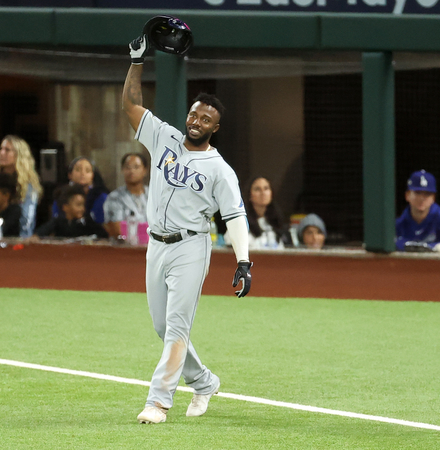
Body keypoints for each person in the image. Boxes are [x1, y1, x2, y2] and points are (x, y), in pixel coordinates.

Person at [124, 33, 252, 425]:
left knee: (178, 325)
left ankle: (158, 401)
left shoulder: (220, 170)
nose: (197, 122)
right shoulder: (164, 136)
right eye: (195, 115)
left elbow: (235, 217)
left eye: (206, 120)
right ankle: (205, 381)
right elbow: (131, 104)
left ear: (215, 128)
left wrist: (244, 262)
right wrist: (136, 60)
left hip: (191, 248)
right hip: (156, 246)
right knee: (162, 326)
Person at [0, 135, 43, 238]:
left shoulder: (28, 185)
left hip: (16, 235)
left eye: (7, 150)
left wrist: (24, 239)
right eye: (1, 149)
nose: (1, 153)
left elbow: (27, 218)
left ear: (19, 155)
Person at [395, 170, 440, 253]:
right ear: (407, 195)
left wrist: (434, 248)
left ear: (433, 198)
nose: (422, 198)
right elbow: (392, 242)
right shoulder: (399, 222)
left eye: (427, 194)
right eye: (417, 193)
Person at [226, 176, 287, 250]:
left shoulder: (276, 222)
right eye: (257, 189)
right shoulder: (239, 224)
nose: (263, 193)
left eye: (266, 188)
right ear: (249, 195)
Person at [103, 152, 150, 239]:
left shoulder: (153, 195)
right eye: (128, 167)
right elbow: (118, 229)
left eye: (136, 167)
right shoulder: (115, 197)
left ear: (145, 171)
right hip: (125, 247)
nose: (132, 171)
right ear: (122, 170)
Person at [34, 184, 107, 239]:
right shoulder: (58, 222)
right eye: (78, 205)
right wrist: (35, 237)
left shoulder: (87, 222)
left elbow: (103, 235)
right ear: (65, 207)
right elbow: (40, 232)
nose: (82, 209)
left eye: (83, 205)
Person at [52, 157, 109, 225]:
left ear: (92, 175)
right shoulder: (61, 195)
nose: (82, 173)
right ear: (70, 175)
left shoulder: (101, 197)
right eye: (78, 170)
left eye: (87, 171)